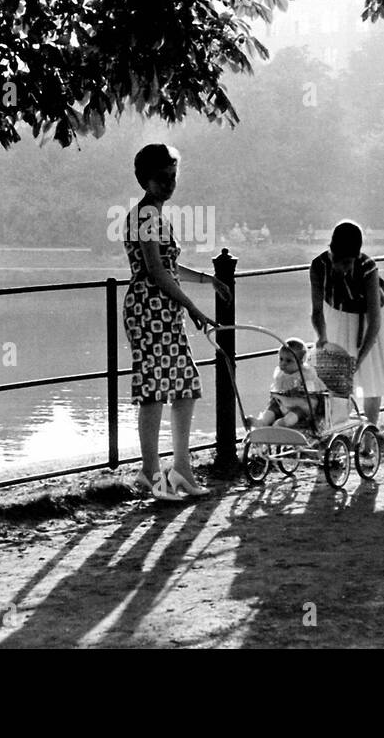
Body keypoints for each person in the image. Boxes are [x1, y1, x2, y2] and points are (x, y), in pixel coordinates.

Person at [122, 144, 230, 501]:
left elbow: (169, 267)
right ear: (145, 180)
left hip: (164, 307)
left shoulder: (155, 214)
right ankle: (150, 472)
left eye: (173, 177)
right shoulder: (146, 217)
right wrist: (195, 309)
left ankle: (181, 468)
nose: (169, 184)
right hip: (149, 307)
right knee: (154, 389)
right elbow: (154, 271)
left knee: (185, 384)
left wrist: (205, 279)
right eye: (162, 178)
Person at [309, 220, 384, 424]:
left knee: (371, 376)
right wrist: (322, 338)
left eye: (350, 263)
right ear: (332, 254)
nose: (345, 268)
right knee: (337, 379)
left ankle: (369, 435)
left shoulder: (367, 268)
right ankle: (339, 431)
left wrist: (358, 361)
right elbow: (317, 311)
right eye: (341, 262)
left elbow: (374, 323)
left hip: (369, 319)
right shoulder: (318, 266)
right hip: (338, 313)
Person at [251, 338, 327, 430]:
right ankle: (263, 421)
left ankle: (283, 423)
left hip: (300, 405)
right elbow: (277, 389)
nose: (283, 364)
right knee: (273, 408)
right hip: (283, 403)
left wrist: (299, 390)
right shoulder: (281, 374)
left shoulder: (306, 375)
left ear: (301, 362)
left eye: (288, 361)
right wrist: (277, 394)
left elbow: (311, 394)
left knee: (295, 414)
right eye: (281, 359)